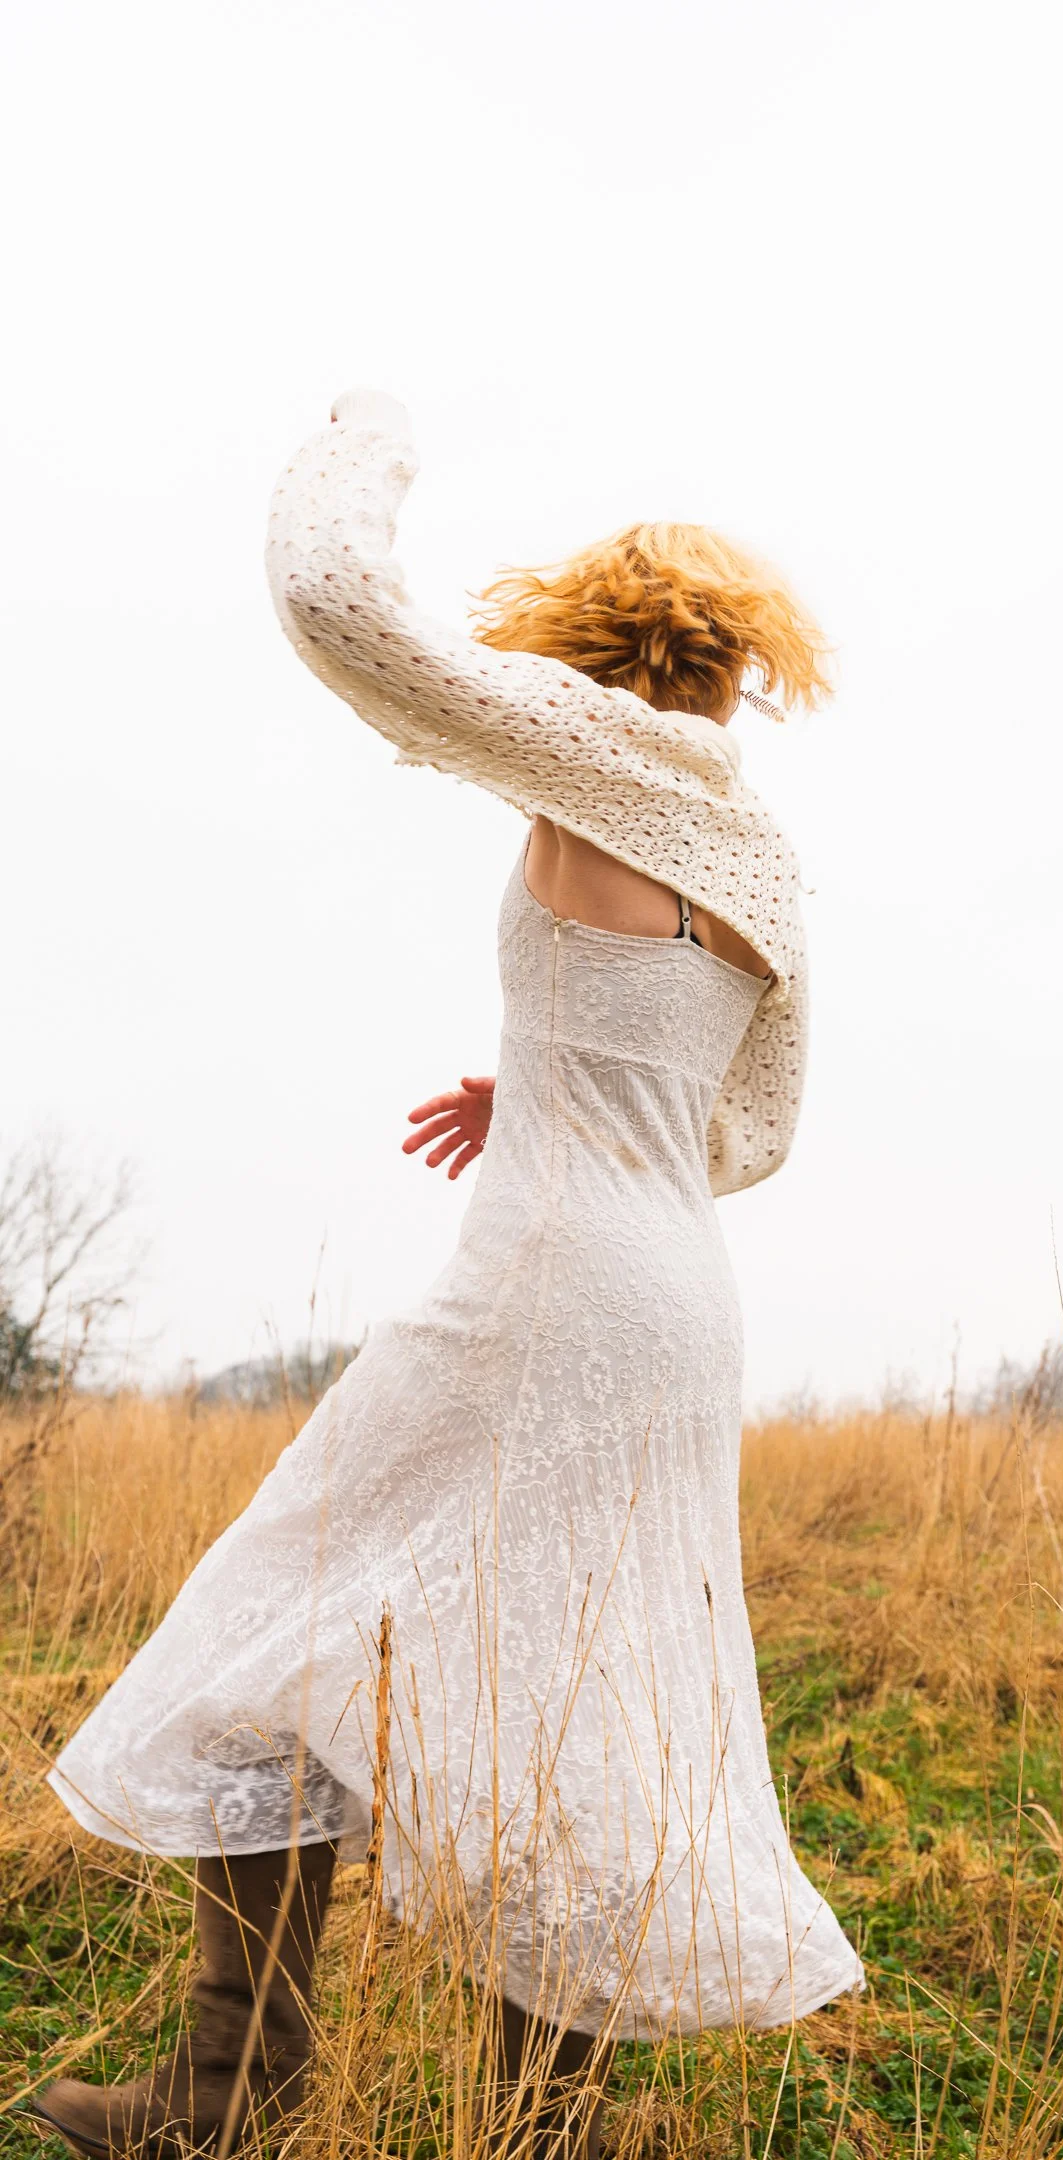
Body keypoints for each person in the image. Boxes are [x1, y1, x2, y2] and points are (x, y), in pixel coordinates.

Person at [32, 389, 864, 2160]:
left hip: (549, 1285)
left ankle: (223, 2097)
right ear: (733, 672)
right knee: (573, 1704)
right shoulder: (764, 859)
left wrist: (371, 427)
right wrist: (572, 1083)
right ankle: (533, 2139)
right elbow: (750, 1129)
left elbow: (336, 597)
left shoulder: (588, 746)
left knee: (270, 1623)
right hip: (679, 1303)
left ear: (596, 649)